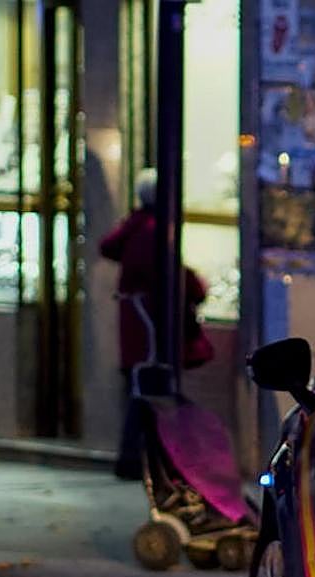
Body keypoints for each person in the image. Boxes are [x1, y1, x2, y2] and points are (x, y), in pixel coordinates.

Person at [100, 169, 211, 477]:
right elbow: (172, 277)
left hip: (141, 328)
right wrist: (195, 286)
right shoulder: (153, 232)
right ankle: (142, 458)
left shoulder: (137, 228)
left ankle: (144, 456)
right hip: (151, 329)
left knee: (143, 391)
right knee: (149, 392)